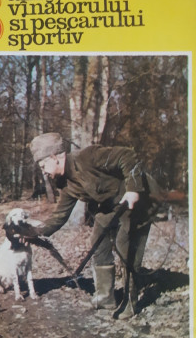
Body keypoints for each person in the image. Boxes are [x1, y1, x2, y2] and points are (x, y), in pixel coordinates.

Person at [29, 132, 163, 319]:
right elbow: (60, 216)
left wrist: (133, 190)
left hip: (139, 199)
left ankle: (130, 302)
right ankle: (105, 297)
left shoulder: (88, 157)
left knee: (126, 248)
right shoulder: (65, 183)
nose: (43, 171)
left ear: (54, 158)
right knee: (98, 245)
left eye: (44, 166)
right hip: (110, 206)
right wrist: (33, 233)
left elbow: (128, 156)